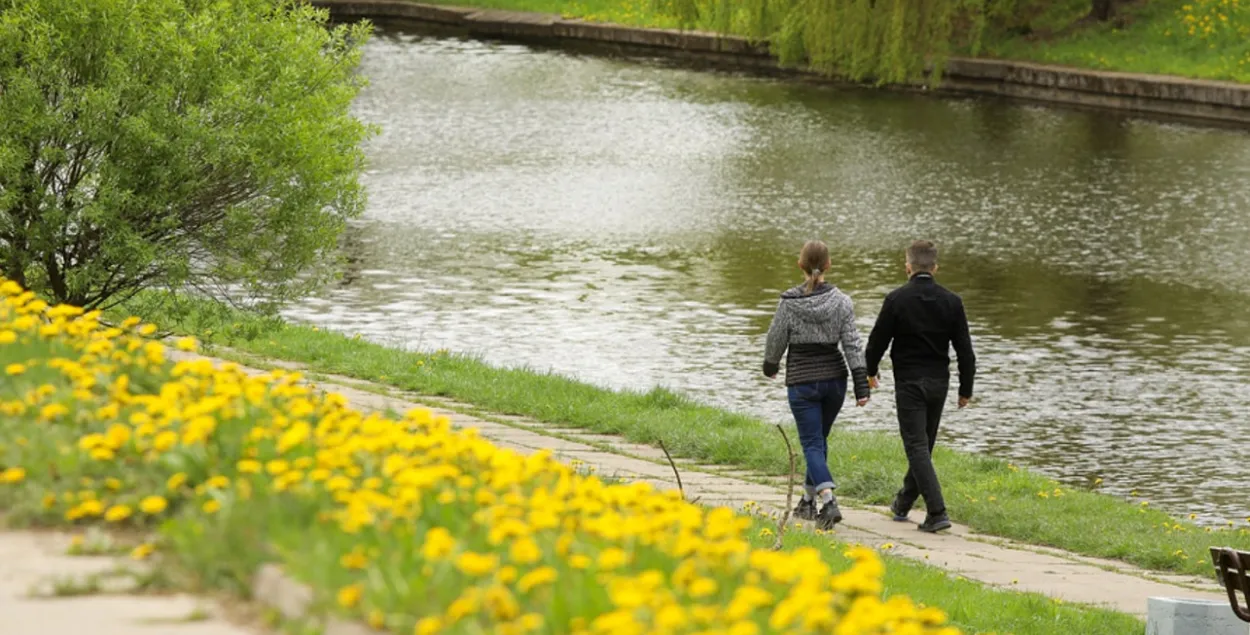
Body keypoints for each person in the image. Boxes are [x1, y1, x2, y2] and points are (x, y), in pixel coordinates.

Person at [865, 239, 976, 533]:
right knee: (923, 447)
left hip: (910, 382)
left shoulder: (897, 300)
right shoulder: (952, 302)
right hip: (939, 382)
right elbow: (965, 351)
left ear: (908, 267)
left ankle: (937, 512)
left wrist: (870, 371)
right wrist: (966, 389)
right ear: (935, 268)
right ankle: (903, 502)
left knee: (916, 447)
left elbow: (877, 341)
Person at [763, 240, 871, 530]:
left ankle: (828, 500)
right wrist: (861, 384)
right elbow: (852, 343)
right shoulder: (842, 302)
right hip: (835, 381)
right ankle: (807, 502)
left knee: (811, 443)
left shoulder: (789, 303)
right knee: (818, 443)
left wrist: (770, 365)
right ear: (828, 265)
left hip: (802, 381)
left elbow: (775, 339)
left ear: (800, 265)